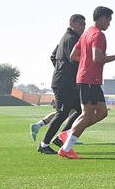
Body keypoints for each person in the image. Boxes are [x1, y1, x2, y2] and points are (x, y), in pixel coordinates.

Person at [58, 7, 115, 159]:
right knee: (87, 114)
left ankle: (68, 134)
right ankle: (66, 148)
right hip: (89, 80)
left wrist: (86, 62)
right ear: (101, 18)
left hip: (90, 79)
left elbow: (74, 55)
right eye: (108, 20)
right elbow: (97, 58)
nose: (109, 24)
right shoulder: (98, 35)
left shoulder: (87, 32)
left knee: (102, 113)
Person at [34, 14, 85, 154]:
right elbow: (74, 59)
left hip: (67, 81)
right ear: (72, 23)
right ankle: (44, 144)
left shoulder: (66, 37)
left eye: (84, 24)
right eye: (80, 23)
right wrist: (63, 71)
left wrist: (61, 68)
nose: (83, 26)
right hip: (64, 83)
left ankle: (61, 137)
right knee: (62, 113)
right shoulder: (72, 38)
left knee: (79, 111)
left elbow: (53, 55)